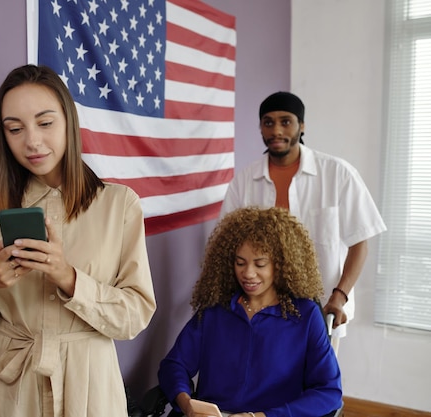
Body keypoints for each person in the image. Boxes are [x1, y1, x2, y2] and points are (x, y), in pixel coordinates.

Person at [0, 64, 156, 417]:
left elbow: (134, 317)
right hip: (4, 390)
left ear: (68, 122)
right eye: (15, 129)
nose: (31, 141)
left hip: (88, 385)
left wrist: (68, 277)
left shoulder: (119, 205)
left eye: (45, 123)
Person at [220, 91, 386, 351]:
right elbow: (227, 243)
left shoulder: (338, 174)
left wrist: (339, 297)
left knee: (318, 386)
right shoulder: (244, 180)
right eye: (268, 122)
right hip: (264, 310)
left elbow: (360, 244)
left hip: (323, 308)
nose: (276, 130)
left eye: (285, 121)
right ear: (261, 127)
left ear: (302, 125)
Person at [158, 207, 342, 417]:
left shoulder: (306, 315)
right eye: (240, 263)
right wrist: (187, 403)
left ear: (281, 264)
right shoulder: (215, 310)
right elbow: (174, 366)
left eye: (260, 264)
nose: (248, 273)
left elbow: (329, 392)